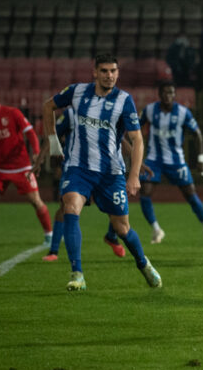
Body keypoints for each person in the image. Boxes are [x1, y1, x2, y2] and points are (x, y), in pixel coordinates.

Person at [36, 53, 161, 292]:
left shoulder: (124, 100)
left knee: (121, 228)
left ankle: (144, 264)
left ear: (118, 73)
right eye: (104, 71)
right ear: (94, 72)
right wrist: (53, 142)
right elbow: (48, 106)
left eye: (113, 71)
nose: (109, 75)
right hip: (78, 168)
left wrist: (133, 175)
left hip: (110, 173)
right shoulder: (77, 92)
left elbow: (136, 139)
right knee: (71, 208)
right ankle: (77, 274)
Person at [138, 81, 203, 245]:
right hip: (154, 159)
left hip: (176, 160)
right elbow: (136, 127)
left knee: (190, 194)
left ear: (174, 95)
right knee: (145, 192)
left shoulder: (183, 113)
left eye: (171, 93)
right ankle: (157, 229)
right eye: (165, 93)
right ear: (159, 94)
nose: (168, 96)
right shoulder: (150, 110)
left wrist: (201, 160)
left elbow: (197, 134)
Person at [0, 85, 52, 246]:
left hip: (21, 167)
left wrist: (35, 151)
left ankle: (49, 235)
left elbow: (30, 132)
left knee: (36, 201)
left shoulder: (12, 113)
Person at [42, 105, 128, 262]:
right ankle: (53, 251)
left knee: (115, 210)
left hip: (105, 171)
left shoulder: (106, 112)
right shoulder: (70, 113)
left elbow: (121, 138)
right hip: (79, 171)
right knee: (66, 208)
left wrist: (137, 160)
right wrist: (41, 158)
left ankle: (112, 236)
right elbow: (54, 134)